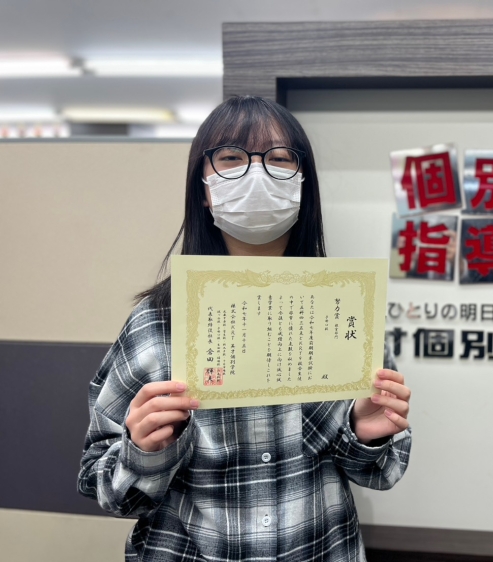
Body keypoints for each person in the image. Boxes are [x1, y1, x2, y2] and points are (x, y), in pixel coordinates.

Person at [78, 96, 412, 561]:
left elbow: (381, 470)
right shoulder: (155, 322)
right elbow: (102, 484)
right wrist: (144, 450)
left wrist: (364, 434)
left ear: (303, 185)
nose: (257, 174)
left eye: (280, 159)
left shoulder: (345, 309)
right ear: (203, 187)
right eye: (232, 158)